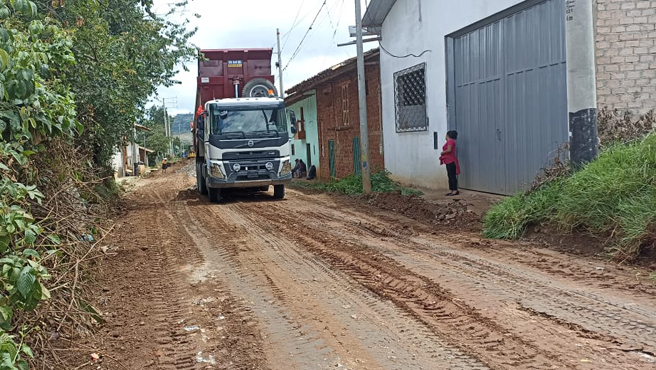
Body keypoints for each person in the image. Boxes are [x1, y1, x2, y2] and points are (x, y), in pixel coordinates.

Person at [440, 130, 460, 196]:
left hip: (451, 161)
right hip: (448, 161)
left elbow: (449, 150)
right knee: (450, 175)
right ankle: (452, 190)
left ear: (447, 135)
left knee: (452, 176)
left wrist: (442, 153)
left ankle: (455, 190)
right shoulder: (450, 141)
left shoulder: (450, 141)